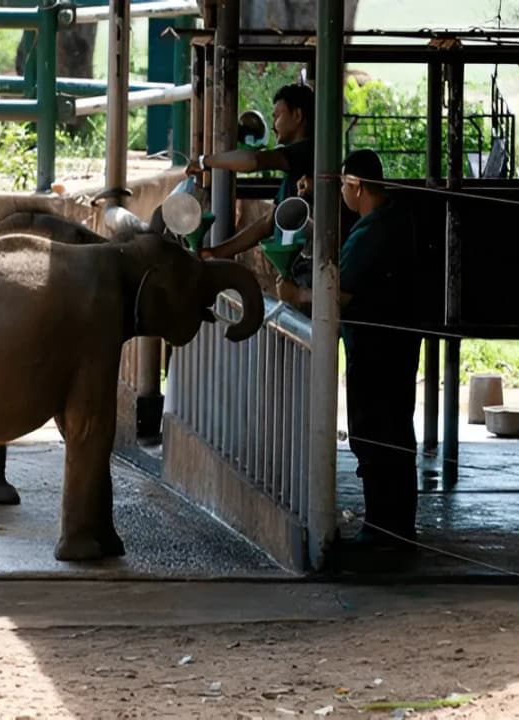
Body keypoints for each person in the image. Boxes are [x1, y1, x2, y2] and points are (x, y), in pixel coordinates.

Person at [276, 149, 422, 546]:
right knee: (395, 433)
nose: (341, 191)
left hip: (375, 351)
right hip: (396, 346)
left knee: (373, 435)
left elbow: (338, 293)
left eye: (343, 184)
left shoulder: (373, 233)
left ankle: (383, 527)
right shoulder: (392, 220)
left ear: (356, 186)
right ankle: (396, 525)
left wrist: (296, 293)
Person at [184, 83, 315, 280]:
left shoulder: (305, 152)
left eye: (277, 115)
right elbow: (266, 224)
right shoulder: (294, 173)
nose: (272, 124)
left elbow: (254, 160)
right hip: (295, 269)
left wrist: (206, 161)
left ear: (297, 116)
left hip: (307, 266)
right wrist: (216, 253)